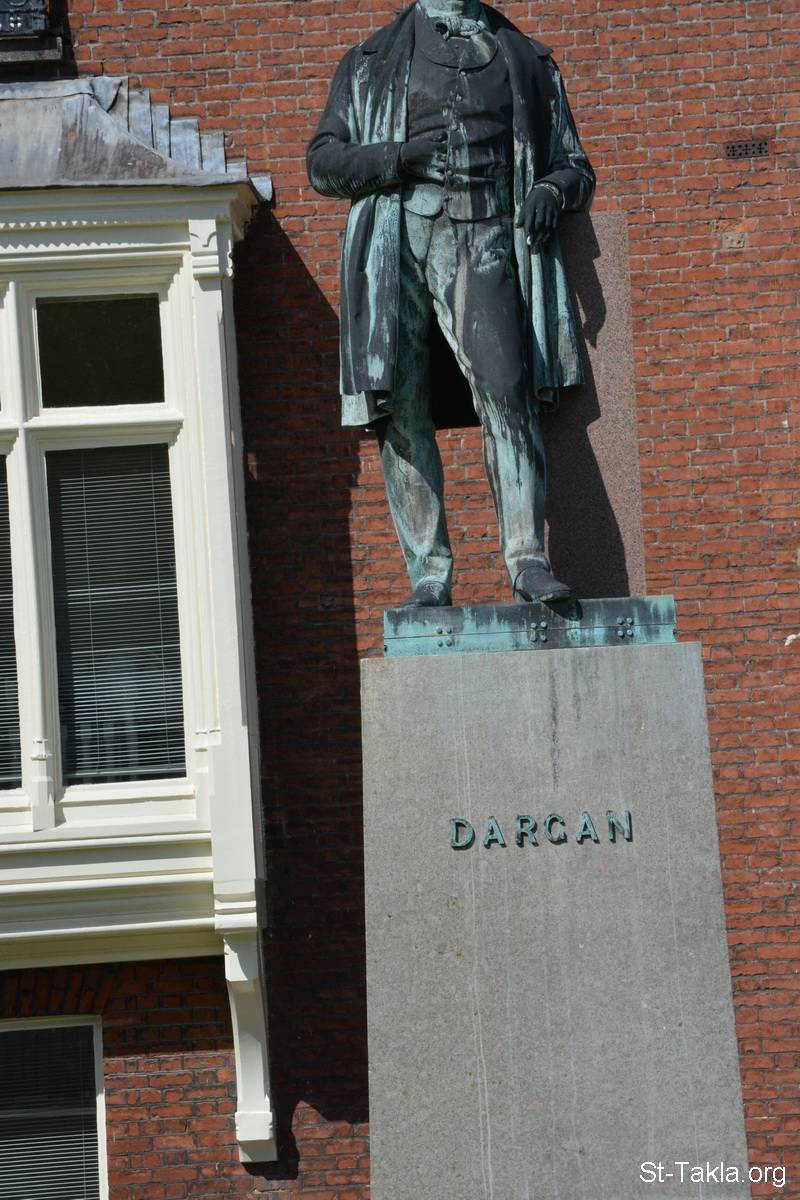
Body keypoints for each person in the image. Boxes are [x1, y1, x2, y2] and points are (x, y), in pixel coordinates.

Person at [307, 0, 594, 606]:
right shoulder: (368, 61)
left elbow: (575, 166)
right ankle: (429, 574)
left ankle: (527, 557)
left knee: (507, 388)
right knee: (401, 405)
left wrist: (551, 188)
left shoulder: (527, 60)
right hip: (395, 243)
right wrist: (397, 158)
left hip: (486, 239)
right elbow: (323, 163)